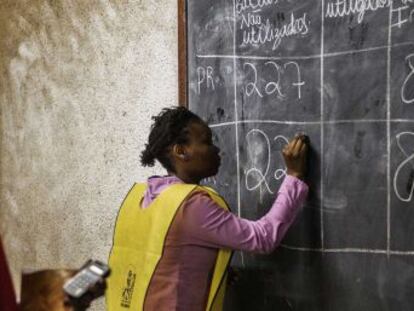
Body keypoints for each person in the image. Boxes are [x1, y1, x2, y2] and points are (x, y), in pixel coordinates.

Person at [106, 107, 309, 311]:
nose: (216, 149)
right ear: (181, 151)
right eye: (207, 142)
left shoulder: (146, 196)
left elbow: (161, 262)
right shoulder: (190, 204)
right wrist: (293, 175)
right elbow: (262, 238)